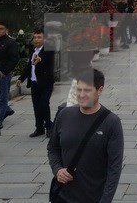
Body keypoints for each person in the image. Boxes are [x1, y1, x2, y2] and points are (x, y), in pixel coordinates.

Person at [48, 69, 123, 203]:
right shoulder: (64, 115)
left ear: (100, 90)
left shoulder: (111, 122)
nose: (81, 95)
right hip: (62, 196)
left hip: (93, 197)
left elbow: (114, 167)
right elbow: (53, 149)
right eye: (79, 90)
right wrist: (57, 170)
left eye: (87, 90)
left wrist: (105, 200)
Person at [16, 28, 55, 138]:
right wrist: (21, 78)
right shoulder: (32, 50)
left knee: (44, 104)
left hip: (46, 83)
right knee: (36, 106)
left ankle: (49, 126)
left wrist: (40, 59)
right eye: (35, 37)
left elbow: (46, 57)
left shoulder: (49, 49)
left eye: (39, 37)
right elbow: (29, 66)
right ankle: (39, 128)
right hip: (34, 83)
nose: (36, 39)